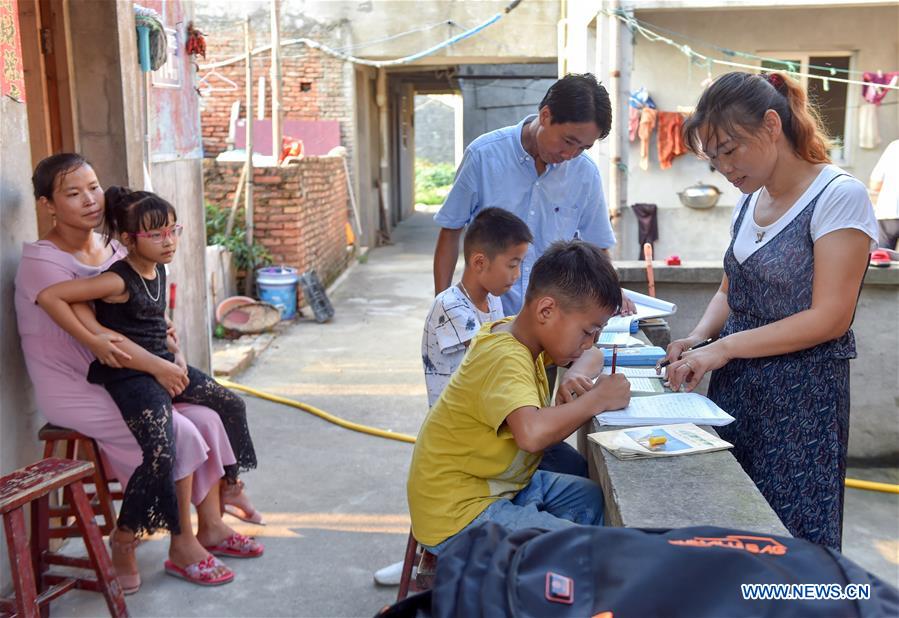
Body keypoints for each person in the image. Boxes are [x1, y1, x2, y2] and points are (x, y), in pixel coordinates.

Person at [15, 154, 260, 591]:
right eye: (73, 193)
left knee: (207, 415)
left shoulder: (114, 248)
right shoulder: (43, 264)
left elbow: (140, 314)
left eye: (93, 187)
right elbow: (102, 341)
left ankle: (212, 529)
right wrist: (162, 367)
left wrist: (171, 344)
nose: (90, 200)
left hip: (135, 371)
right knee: (179, 434)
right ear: (47, 205)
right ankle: (169, 545)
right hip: (79, 381)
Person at [664, 72, 878, 550]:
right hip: (738, 391)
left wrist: (722, 349)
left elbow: (830, 317)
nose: (722, 167)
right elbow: (730, 290)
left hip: (801, 401)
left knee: (793, 541)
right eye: (713, 157)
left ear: (771, 125)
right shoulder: (751, 199)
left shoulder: (838, 196)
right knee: (736, 531)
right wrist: (699, 339)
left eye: (729, 150)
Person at [431, 73, 633, 480]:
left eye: (584, 147)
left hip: (550, 334)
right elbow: (450, 231)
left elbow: (596, 248)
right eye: (568, 141)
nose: (572, 154)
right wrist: (447, 306)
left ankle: (518, 486)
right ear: (545, 115)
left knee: (532, 436)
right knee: (485, 434)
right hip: (490, 328)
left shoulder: (584, 174)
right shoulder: (485, 156)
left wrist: (608, 298)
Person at [408, 241, 631, 555]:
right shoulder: (505, 356)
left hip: (497, 486)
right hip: (458, 512)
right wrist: (596, 400)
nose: (590, 341)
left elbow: (592, 355)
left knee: (589, 498)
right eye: (587, 331)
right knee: (579, 547)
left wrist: (575, 373)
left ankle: (550, 573)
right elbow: (531, 434)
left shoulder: (525, 338)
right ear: (546, 310)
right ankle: (552, 583)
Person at [868, 139, 899, 249]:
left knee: (882, 258)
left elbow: (875, 183)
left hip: (888, 212)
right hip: (888, 213)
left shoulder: (894, 146)